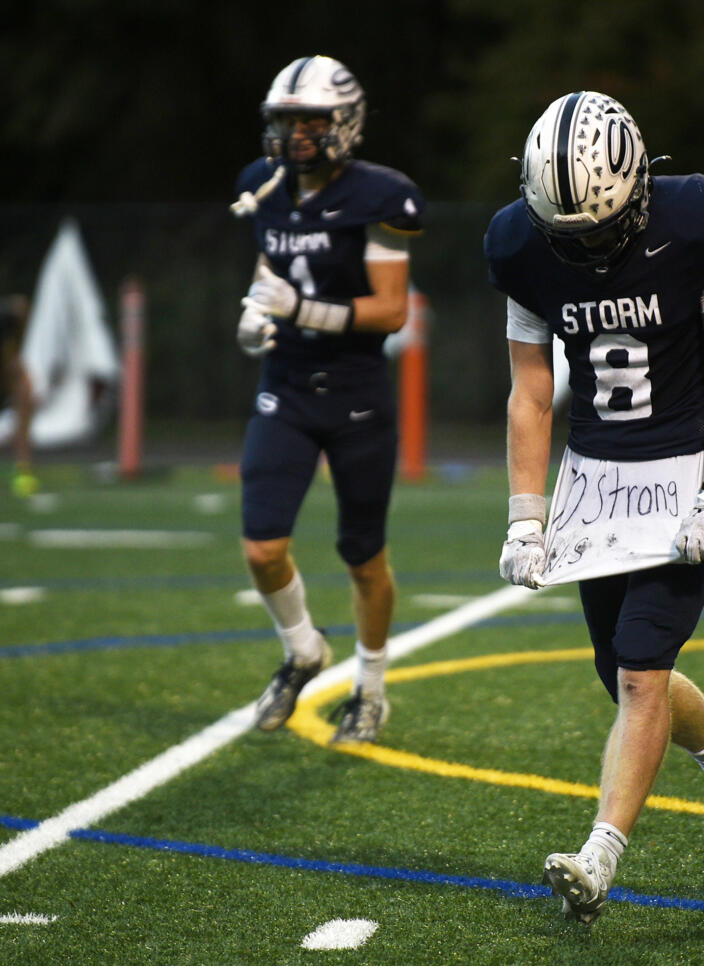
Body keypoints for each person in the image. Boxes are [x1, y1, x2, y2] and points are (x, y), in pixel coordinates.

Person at [485, 91, 704, 925]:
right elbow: (533, 392)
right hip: (596, 475)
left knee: (644, 669)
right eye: (564, 237)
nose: (583, 250)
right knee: (619, 674)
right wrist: (524, 513)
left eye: (597, 232)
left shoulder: (698, 222)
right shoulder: (519, 243)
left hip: (685, 467)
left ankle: (599, 857)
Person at [231, 55, 425, 744]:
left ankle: (370, 688)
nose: (295, 135)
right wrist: (259, 312)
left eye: (310, 121)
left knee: (363, 554)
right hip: (285, 385)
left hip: (356, 394)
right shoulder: (263, 186)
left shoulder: (381, 195)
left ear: (345, 122)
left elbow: (391, 310)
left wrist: (302, 309)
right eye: (286, 121)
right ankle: (303, 648)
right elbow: (271, 264)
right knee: (262, 548)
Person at [0, 295, 37, 498]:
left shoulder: (11, 326)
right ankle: (23, 469)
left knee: (24, 404)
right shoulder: (6, 321)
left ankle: (24, 468)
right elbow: (10, 363)